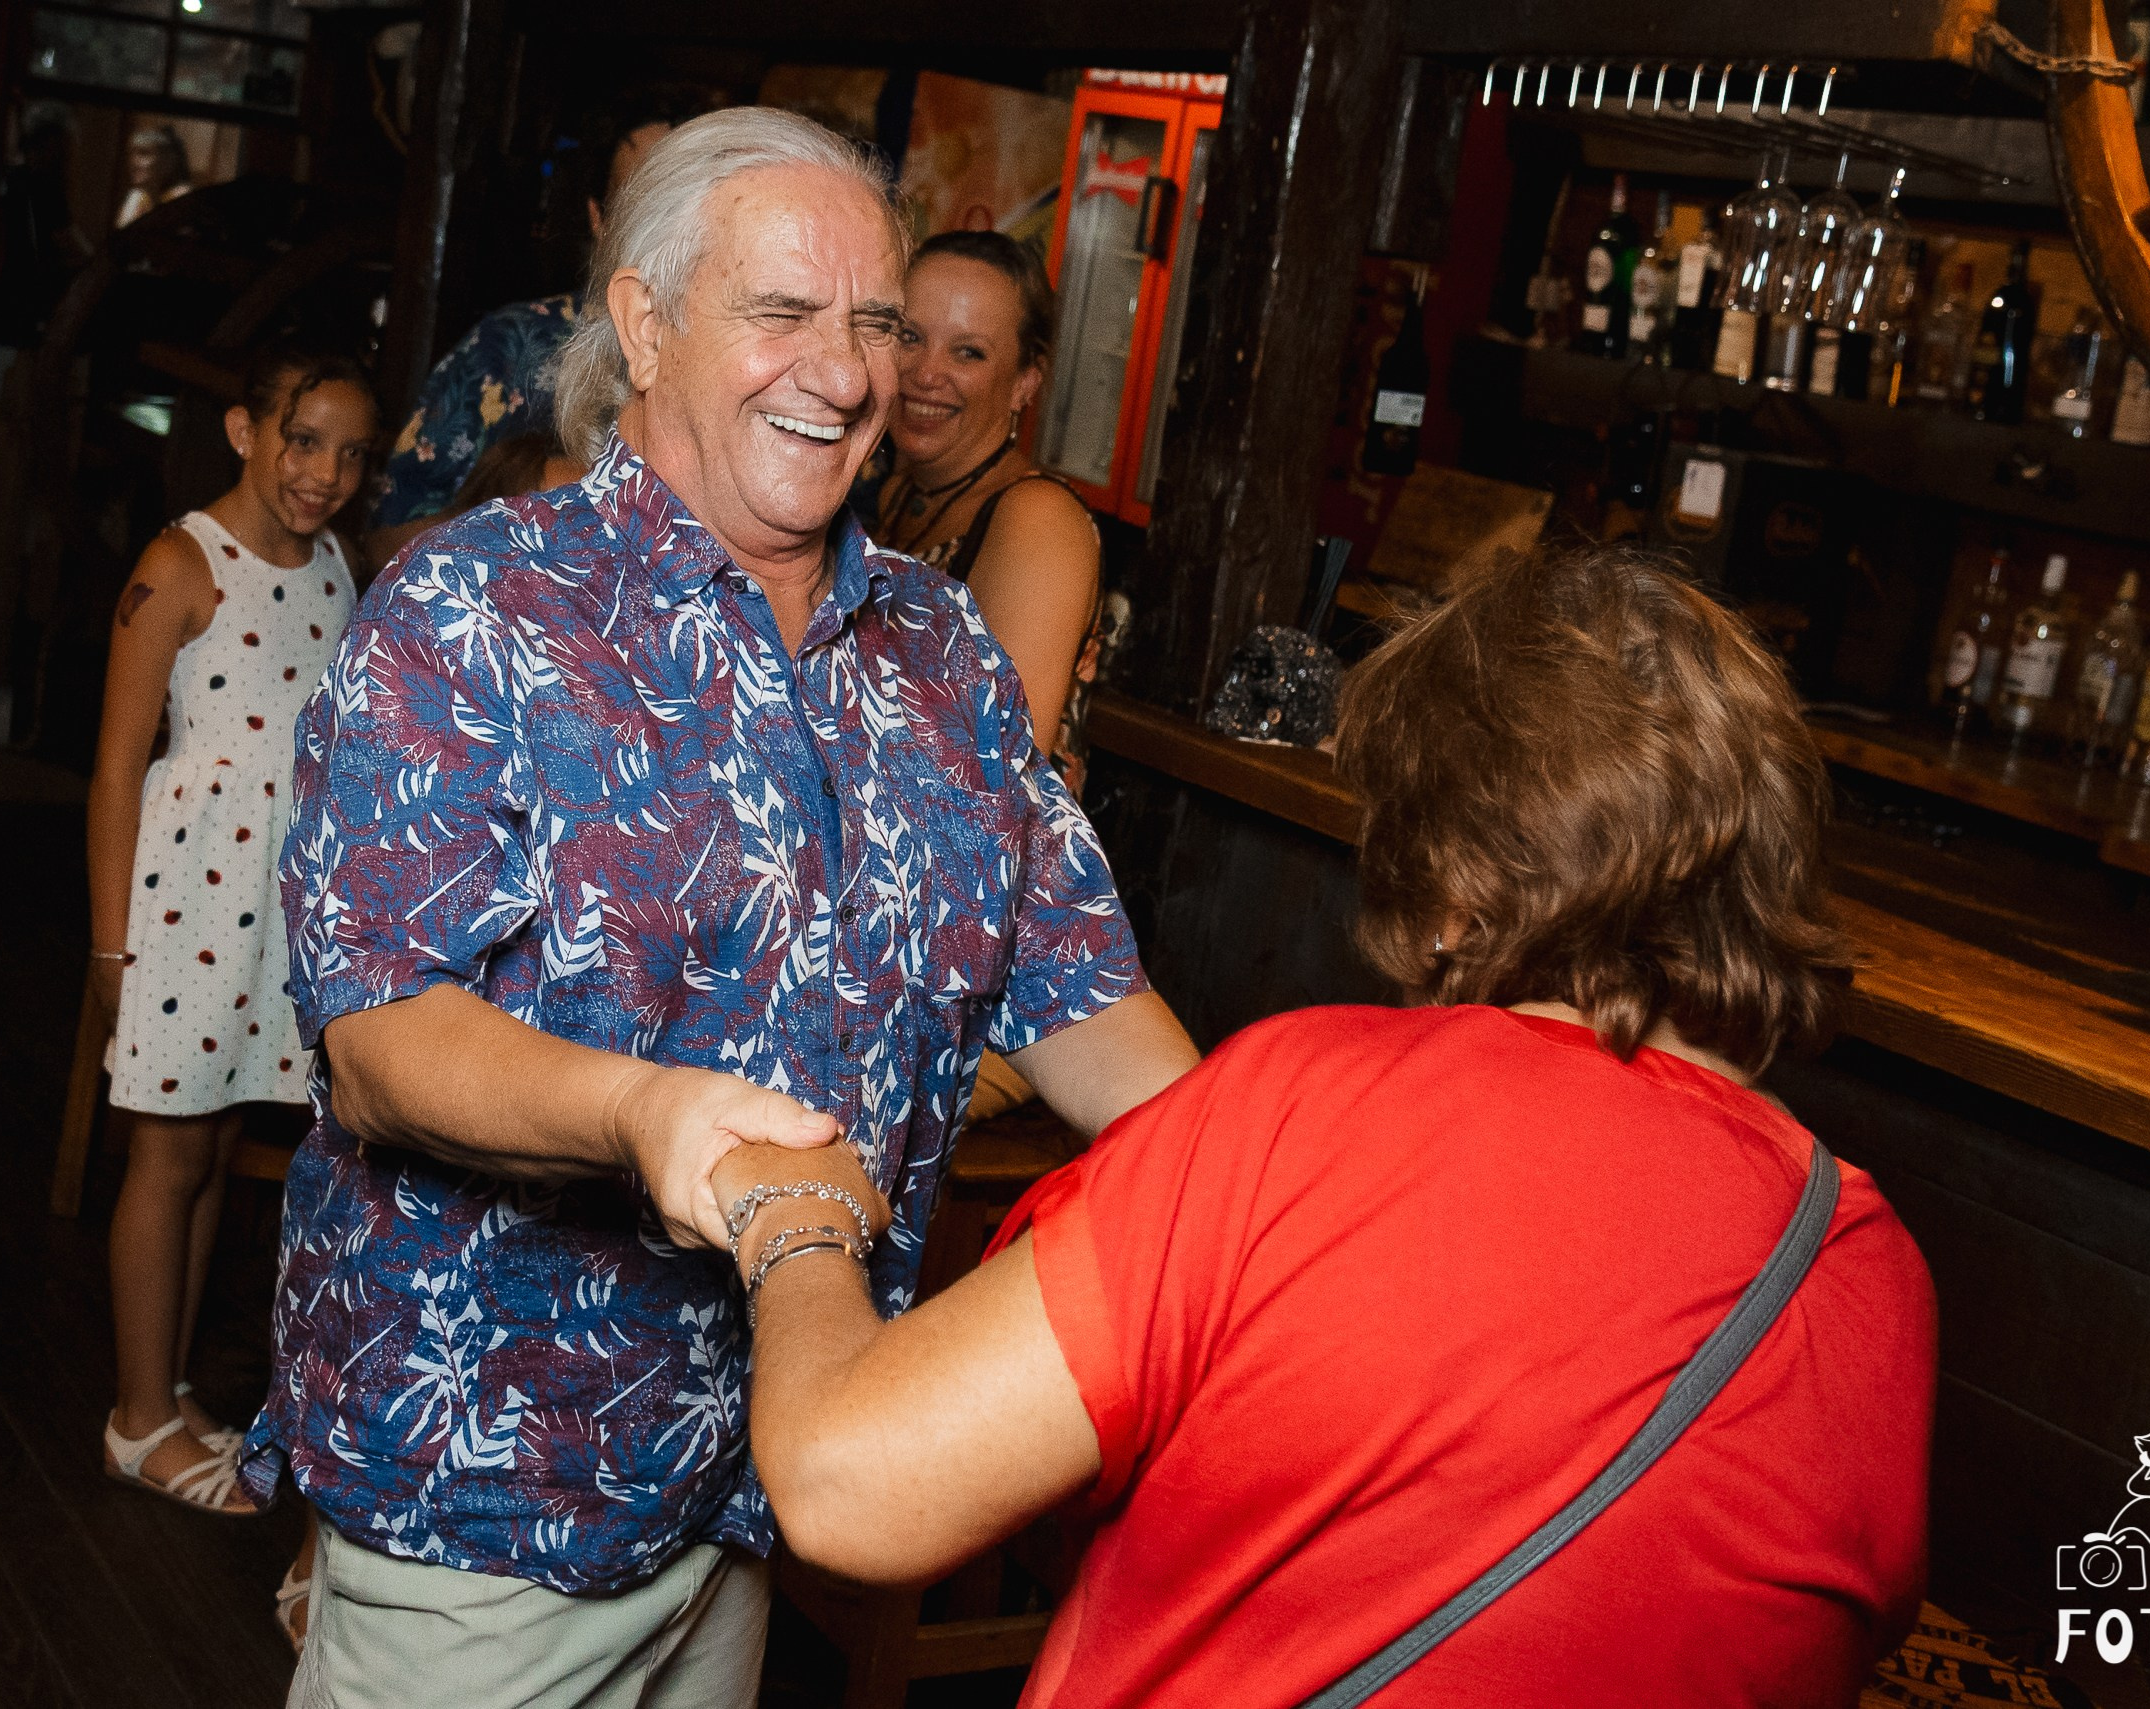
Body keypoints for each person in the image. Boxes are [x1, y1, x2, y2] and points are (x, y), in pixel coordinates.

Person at [251, 107, 1197, 1709]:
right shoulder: (475, 611)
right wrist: (642, 1114)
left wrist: (1309, 1193)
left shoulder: (944, 656)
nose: (843, 372)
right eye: (782, 314)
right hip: (493, 1487)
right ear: (645, 320)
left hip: (752, 1483)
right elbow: (380, 1042)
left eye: (874, 324)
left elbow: (1089, 1004)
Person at [712, 546, 1940, 1707]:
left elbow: (849, 1481)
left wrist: (798, 1213)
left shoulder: (1313, 1110)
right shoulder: (1867, 1268)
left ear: (1455, 876)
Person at [88, 339, 377, 1516]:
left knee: (212, 1153)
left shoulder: (334, 565)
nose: (323, 473)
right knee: (166, 1154)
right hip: (185, 903)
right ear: (244, 430)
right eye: (303, 439)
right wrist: (111, 945)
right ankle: (134, 1414)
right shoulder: (181, 563)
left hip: (276, 915)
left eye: (351, 454)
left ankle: (166, 1383)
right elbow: (115, 771)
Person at [362, 83, 723, 566]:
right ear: (598, 218)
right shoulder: (507, 349)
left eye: (684, 207)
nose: (665, 230)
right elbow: (387, 540)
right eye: (640, 205)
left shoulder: (753, 366)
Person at [868, 230, 1102, 794]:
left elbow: (993, 777)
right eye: (910, 336)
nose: (925, 373)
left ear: (1025, 382)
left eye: (967, 352)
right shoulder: (898, 493)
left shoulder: (1037, 520)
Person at [116, 125, 192, 227]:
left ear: (169, 161)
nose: (133, 163)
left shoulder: (183, 201)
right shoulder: (136, 197)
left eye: (144, 153)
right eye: (131, 154)